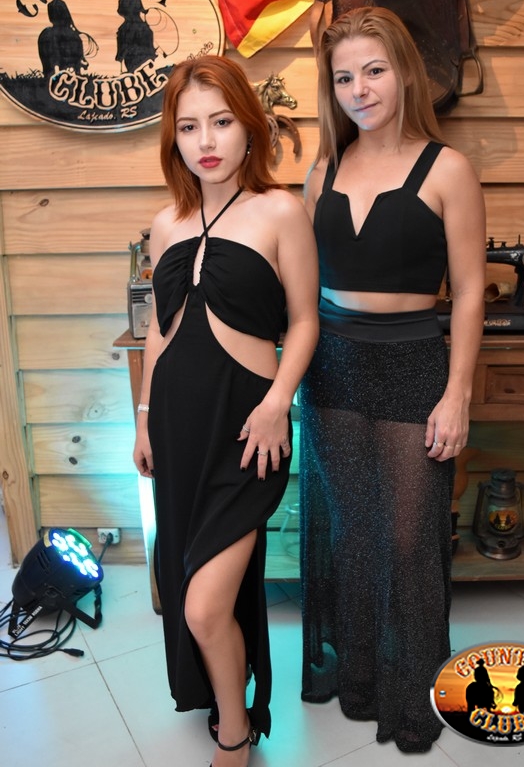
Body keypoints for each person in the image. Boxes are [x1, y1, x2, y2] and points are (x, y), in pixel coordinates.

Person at [299, 6, 486, 753]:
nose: (359, 90)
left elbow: (468, 291)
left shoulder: (448, 170)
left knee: (408, 540)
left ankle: (412, 697)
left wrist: (457, 392)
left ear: (405, 70)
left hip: (414, 364)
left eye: (373, 71)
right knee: (353, 532)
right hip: (332, 367)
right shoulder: (322, 171)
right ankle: (360, 681)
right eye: (344, 77)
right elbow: (299, 286)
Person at [133, 54, 319, 767]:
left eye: (220, 122)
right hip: (178, 428)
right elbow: (159, 329)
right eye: (188, 127)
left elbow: (304, 322)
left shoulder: (280, 211)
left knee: (205, 604)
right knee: (188, 580)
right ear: (173, 138)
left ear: (249, 127)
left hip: (248, 431)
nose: (205, 141)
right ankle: (222, 689)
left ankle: (236, 736)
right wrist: (144, 416)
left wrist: (278, 404)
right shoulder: (166, 224)